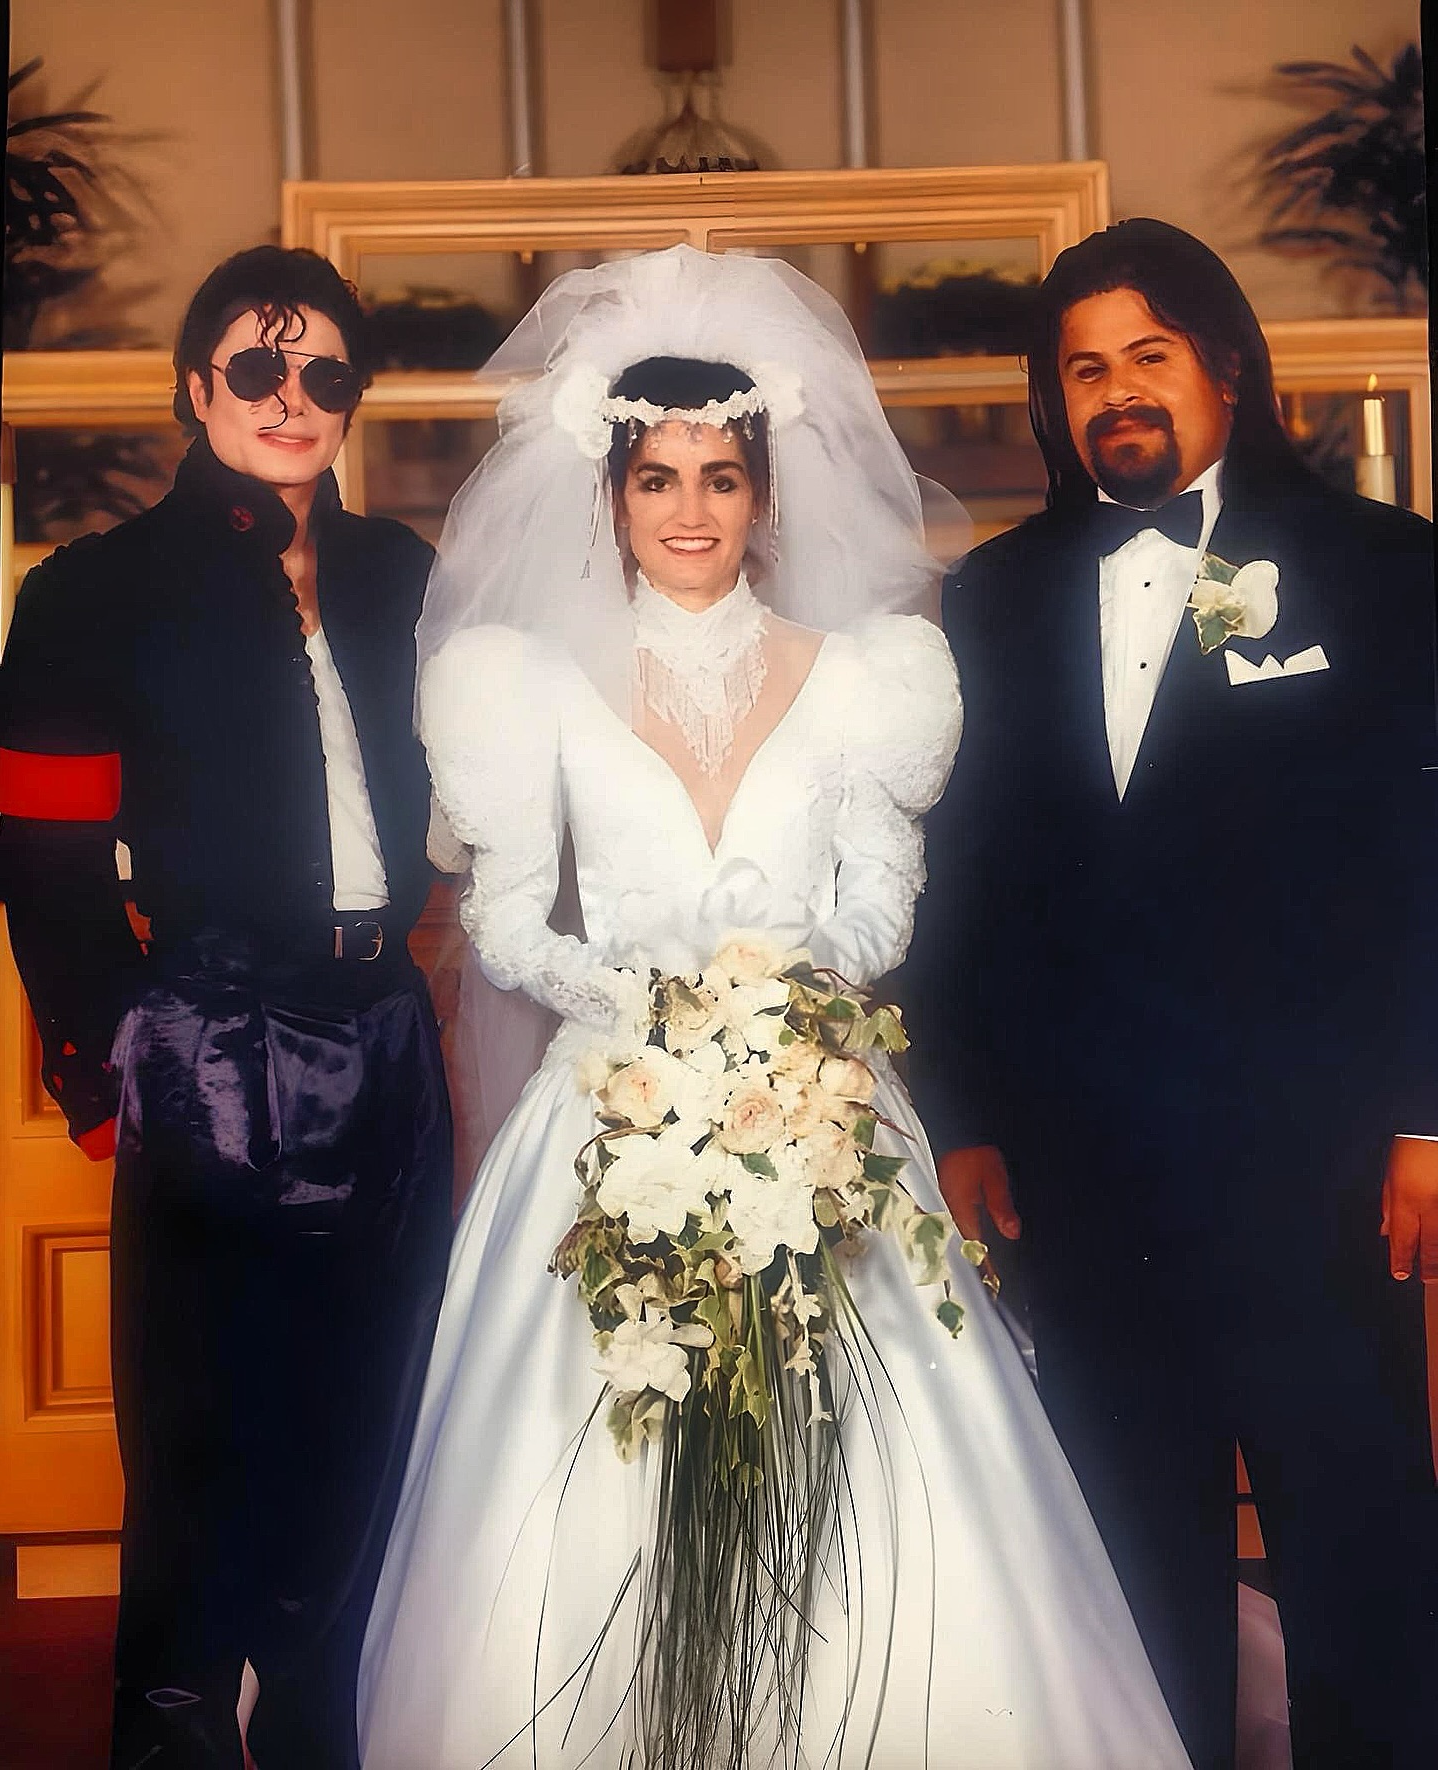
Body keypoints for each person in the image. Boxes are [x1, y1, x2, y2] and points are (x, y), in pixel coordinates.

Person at [355, 244, 1191, 1769]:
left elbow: (883, 911)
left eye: (722, 477)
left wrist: (781, 1006)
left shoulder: (870, 675)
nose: (690, 509)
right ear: (612, 495)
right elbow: (505, 919)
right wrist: (659, 1013)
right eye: (658, 478)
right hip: (609, 1111)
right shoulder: (522, 682)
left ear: (763, 496)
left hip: (819, 1103)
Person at [907, 218, 1438, 1770]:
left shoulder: (1386, 566)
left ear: (1227, 371)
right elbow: (968, 872)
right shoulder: (994, 596)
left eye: (1149, 355)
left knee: (1360, 1549)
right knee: (1130, 1562)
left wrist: (1427, 1115)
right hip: (1083, 1176)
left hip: (1320, 1166)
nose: (1117, 391)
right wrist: (965, 1114)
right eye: (1084, 370)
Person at [0, 246, 453, 1770]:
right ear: (197, 388)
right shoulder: (92, 590)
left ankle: (321, 1730)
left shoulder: (401, 576)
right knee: (199, 1438)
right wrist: (112, 1054)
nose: (291, 397)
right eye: (258, 367)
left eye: (324, 372)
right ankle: (178, 1735)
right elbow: (44, 853)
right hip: (208, 1033)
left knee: (371, 1413)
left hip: (387, 1029)